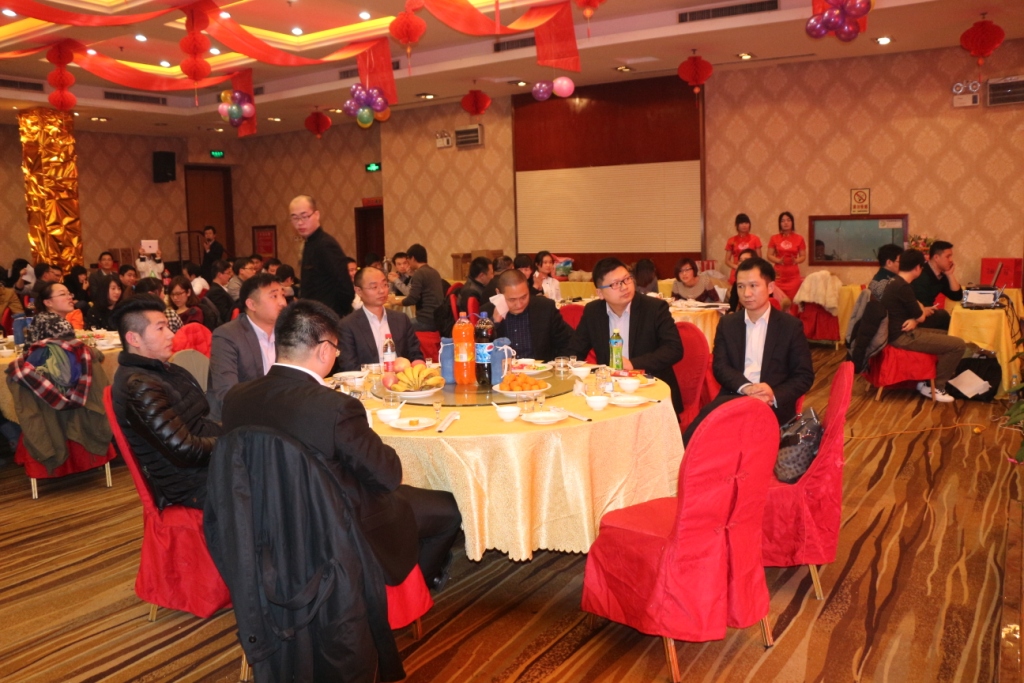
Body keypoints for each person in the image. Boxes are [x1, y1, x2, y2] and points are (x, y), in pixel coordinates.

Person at [221, 299, 462, 590]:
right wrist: (368, 432)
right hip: (334, 525)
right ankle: (415, 587)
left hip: (261, 517)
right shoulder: (335, 407)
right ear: (324, 350)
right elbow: (387, 476)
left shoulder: (236, 397)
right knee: (449, 509)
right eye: (336, 350)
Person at [682, 258, 815, 444]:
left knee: (745, 442)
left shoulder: (790, 327)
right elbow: (720, 366)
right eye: (741, 286)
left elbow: (804, 376)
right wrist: (747, 388)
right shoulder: (728, 324)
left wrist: (772, 393)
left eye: (753, 285)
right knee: (695, 438)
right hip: (734, 397)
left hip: (772, 404)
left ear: (770, 287)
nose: (746, 293)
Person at [111, 298, 222, 509]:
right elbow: (184, 450)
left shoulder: (161, 370)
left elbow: (198, 422)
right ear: (134, 339)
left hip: (205, 467)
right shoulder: (140, 385)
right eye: (160, 328)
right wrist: (234, 441)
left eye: (168, 327)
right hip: (192, 483)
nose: (171, 334)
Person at [567, 258, 684, 413]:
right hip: (609, 393)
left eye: (627, 279)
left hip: (650, 390)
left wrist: (633, 364)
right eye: (615, 284)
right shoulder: (593, 312)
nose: (624, 287)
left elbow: (674, 349)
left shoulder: (654, 308)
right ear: (600, 293)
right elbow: (575, 350)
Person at [881, 249, 966, 403]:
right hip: (902, 336)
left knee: (948, 335)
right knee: (958, 345)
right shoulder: (903, 287)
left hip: (898, 332)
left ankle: (928, 381)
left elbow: (916, 311)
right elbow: (920, 316)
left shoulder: (895, 282)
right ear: (917, 268)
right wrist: (919, 312)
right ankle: (937, 386)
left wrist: (918, 313)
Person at [207, 273, 287, 421]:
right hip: (235, 419)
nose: (283, 302)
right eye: (274, 296)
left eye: (282, 295)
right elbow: (227, 394)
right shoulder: (227, 336)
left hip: (277, 414)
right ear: (252, 304)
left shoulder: (285, 331)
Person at [338, 267, 423, 371]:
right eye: (374, 287)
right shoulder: (347, 325)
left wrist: (418, 364)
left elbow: (415, 354)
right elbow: (349, 366)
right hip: (368, 379)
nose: (382, 291)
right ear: (359, 291)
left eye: (385, 285)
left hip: (402, 377)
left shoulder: (401, 319)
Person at [290, 194, 355, 317]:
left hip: (327, 318)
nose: (300, 223)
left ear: (317, 215)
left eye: (304, 216)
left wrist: (335, 316)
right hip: (313, 317)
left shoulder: (325, 244)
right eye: (295, 218)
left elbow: (345, 288)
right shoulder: (308, 243)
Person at [492, 269, 574, 362]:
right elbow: (482, 352)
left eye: (524, 297)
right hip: (503, 370)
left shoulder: (545, 308)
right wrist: (495, 324)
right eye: (512, 300)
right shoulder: (488, 313)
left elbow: (569, 342)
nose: (519, 304)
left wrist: (557, 364)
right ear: (498, 293)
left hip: (540, 369)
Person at [911, 240, 961, 331]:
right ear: (936, 257)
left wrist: (950, 274)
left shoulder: (941, 275)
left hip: (927, 312)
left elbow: (957, 296)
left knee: (948, 318)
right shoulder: (922, 274)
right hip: (916, 317)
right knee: (944, 317)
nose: (951, 260)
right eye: (948, 256)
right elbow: (922, 305)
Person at [401, 243, 445, 332]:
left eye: (408, 261)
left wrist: (395, 302)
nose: (408, 264)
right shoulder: (434, 272)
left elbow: (412, 299)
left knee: (397, 325)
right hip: (438, 318)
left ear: (413, 258)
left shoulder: (419, 273)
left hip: (426, 321)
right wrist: (413, 275)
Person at [766, 211, 806, 301]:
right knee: (778, 301)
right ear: (780, 224)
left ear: (792, 222)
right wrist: (778, 260)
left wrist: (796, 260)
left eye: (788, 220)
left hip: (793, 276)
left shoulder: (799, 238)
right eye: (783, 221)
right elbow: (769, 255)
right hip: (779, 276)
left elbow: (803, 256)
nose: (786, 223)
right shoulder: (774, 238)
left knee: (793, 301)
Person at [724, 213, 762, 283]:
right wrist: (736, 267)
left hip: (751, 271)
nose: (744, 225)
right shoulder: (731, 240)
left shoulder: (755, 239)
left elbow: (759, 259)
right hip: (736, 271)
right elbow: (727, 260)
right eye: (741, 223)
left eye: (746, 223)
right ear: (736, 225)